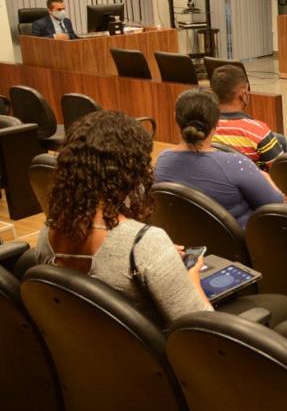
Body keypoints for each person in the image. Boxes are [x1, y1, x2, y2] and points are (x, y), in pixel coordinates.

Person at [35, 110, 212, 325]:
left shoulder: (48, 233)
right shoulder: (144, 244)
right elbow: (199, 327)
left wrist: (159, 259)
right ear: (129, 171)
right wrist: (191, 275)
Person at [154, 88, 285, 228]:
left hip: (191, 241)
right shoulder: (236, 164)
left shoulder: (163, 161)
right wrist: (267, 178)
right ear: (217, 121)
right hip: (242, 245)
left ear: (175, 117)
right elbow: (277, 206)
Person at [210, 65, 287, 169]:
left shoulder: (204, 125)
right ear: (243, 93)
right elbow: (280, 172)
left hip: (222, 176)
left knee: (278, 139)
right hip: (254, 182)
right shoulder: (257, 131)